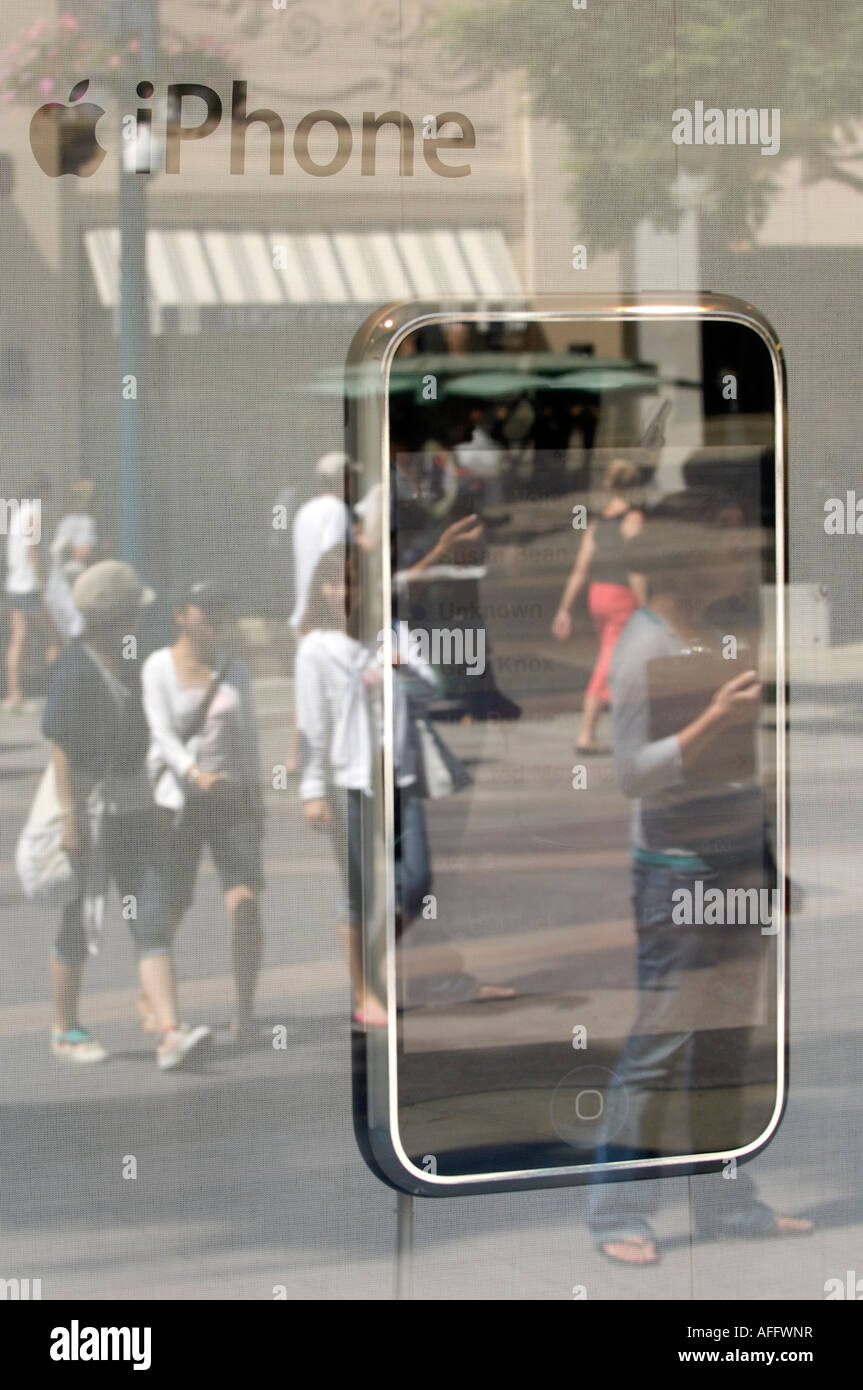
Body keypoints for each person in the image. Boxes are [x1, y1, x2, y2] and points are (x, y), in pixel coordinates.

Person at [586, 488, 812, 1263]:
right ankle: (616, 1212)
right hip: (677, 870)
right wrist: (711, 718)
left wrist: (769, 867)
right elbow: (628, 775)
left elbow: (743, 773)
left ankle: (724, 1201)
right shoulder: (641, 646)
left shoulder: (718, 637)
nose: (739, 554)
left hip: (735, 860)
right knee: (661, 1043)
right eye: (722, 543)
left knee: (725, 1044)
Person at [44, 560, 211, 1070]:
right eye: (132, 613)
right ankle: (65, 1028)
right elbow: (61, 751)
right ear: (115, 618)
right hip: (93, 814)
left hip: (137, 807)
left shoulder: (132, 658)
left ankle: (168, 1030)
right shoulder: (74, 668)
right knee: (78, 920)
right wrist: (71, 820)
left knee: (151, 916)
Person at [141, 583, 264, 1043]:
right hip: (179, 803)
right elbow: (162, 735)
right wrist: (196, 774)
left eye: (221, 607)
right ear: (180, 614)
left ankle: (245, 1012)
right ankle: (150, 998)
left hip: (233, 802)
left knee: (245, 903)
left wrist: (258, 799)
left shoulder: (235, 669)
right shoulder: (157, 666)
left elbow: (248, 737)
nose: (215, 616)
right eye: (205, 608)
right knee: (174, 904)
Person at [552, 457, 645, 753]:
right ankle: (587, 733)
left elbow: (581, 567)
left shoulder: (597, 522)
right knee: (611, 661)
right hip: (621, 596)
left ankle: (630, 728)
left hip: (598, 595)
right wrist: (644, 606)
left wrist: (564, 608)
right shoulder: (633, 519)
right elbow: (635, 566)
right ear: (634, 488)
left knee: (620, 659)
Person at [3, 481, 48, 713]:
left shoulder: (17, 513)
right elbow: (33, 548)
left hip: (14, 584)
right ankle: (57, 690)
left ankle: (15, 694)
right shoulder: (34, 512)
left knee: (19, 639)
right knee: (54, 636)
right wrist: (43, 583)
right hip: (28, 585)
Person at [44, 478, 98, 644]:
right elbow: (83, 552)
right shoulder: (85, 522)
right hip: (72, 589)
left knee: (60, 639)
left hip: (55, 588)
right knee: (78, 634)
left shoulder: (65, 521)